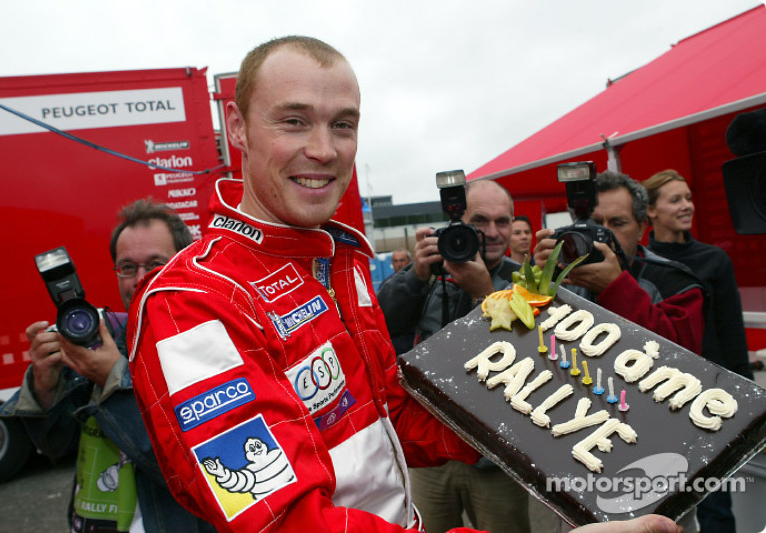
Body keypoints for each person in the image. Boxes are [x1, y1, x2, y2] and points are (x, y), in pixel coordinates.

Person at [126, 36, 681, 533]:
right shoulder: (190, 303)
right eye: (294, 121)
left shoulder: (336, 261)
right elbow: (284, 523)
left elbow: (393, 414)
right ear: (238, 127)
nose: (324, 149)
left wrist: (558, 421)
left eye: (343, 124)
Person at [0, 199, 214, 533]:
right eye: (127, 267)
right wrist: (45, 386)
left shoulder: (211, 345)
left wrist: (114, 380)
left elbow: (200, 475)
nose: (139, 280)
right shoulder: (104, 338)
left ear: (183, 263)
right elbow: (57, 445)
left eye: (156, 264)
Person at [377, 179, 529, 533]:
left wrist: (485, 296)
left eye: (502, 221)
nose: (492, 232)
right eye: (480, 221)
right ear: (456, 223)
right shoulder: (430, 274)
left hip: (495, 458)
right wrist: (414, 277)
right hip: (427, 452)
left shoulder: (527, 283)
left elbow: (528, 365)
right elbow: (381, 325)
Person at [643, 169, 753, 533]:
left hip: (711, 399)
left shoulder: (714, 260)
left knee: (716, 503)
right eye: (675, 200)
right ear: (651, 211)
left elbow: (731, 335)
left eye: (688, 197)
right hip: (656, 397)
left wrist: (749, 407)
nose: (687, 206)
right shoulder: (637, 263)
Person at [534, 170, 705, 356]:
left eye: (618, 222)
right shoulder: (564, 273)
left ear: (641, 228)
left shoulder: (674, 281)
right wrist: (541, 281)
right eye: (595, 224)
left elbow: (681, 355)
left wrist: (616, 288)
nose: (606, 235)